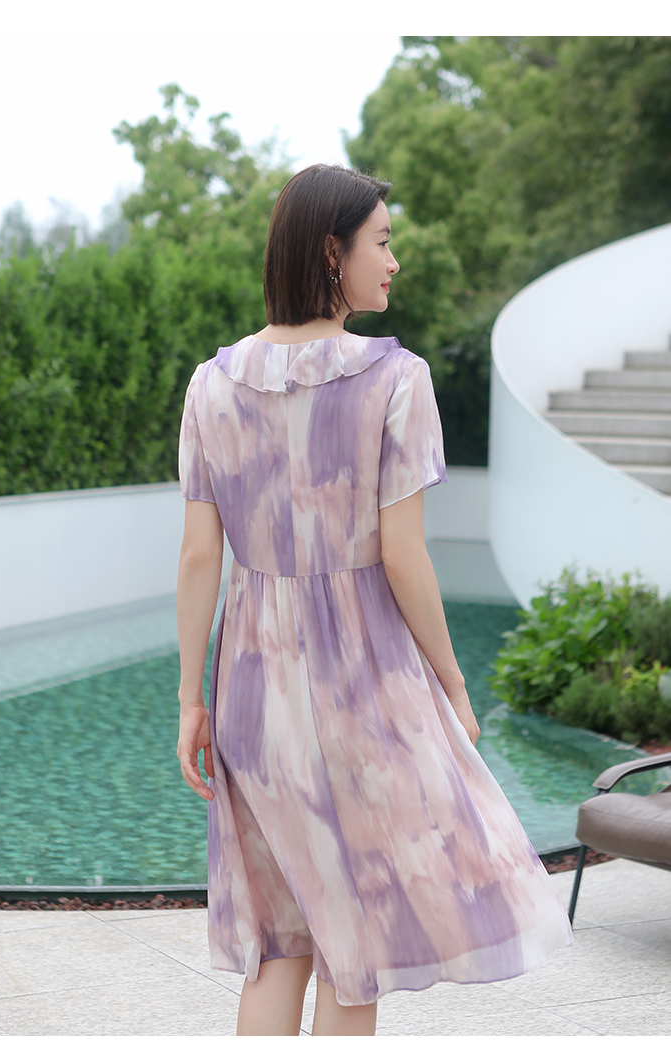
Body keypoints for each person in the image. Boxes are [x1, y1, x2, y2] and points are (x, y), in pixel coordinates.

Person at [176, 164, 573, 1037]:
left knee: (278, 945)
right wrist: (452, 681)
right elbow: (402, 555)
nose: (394, 261)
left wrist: (189, 699)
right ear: (332, 252)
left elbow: (201, 554)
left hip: (251, 690)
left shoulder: (211, 385)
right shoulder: (396, 380)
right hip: (360, 686)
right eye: (382, 242)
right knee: (355, 952)